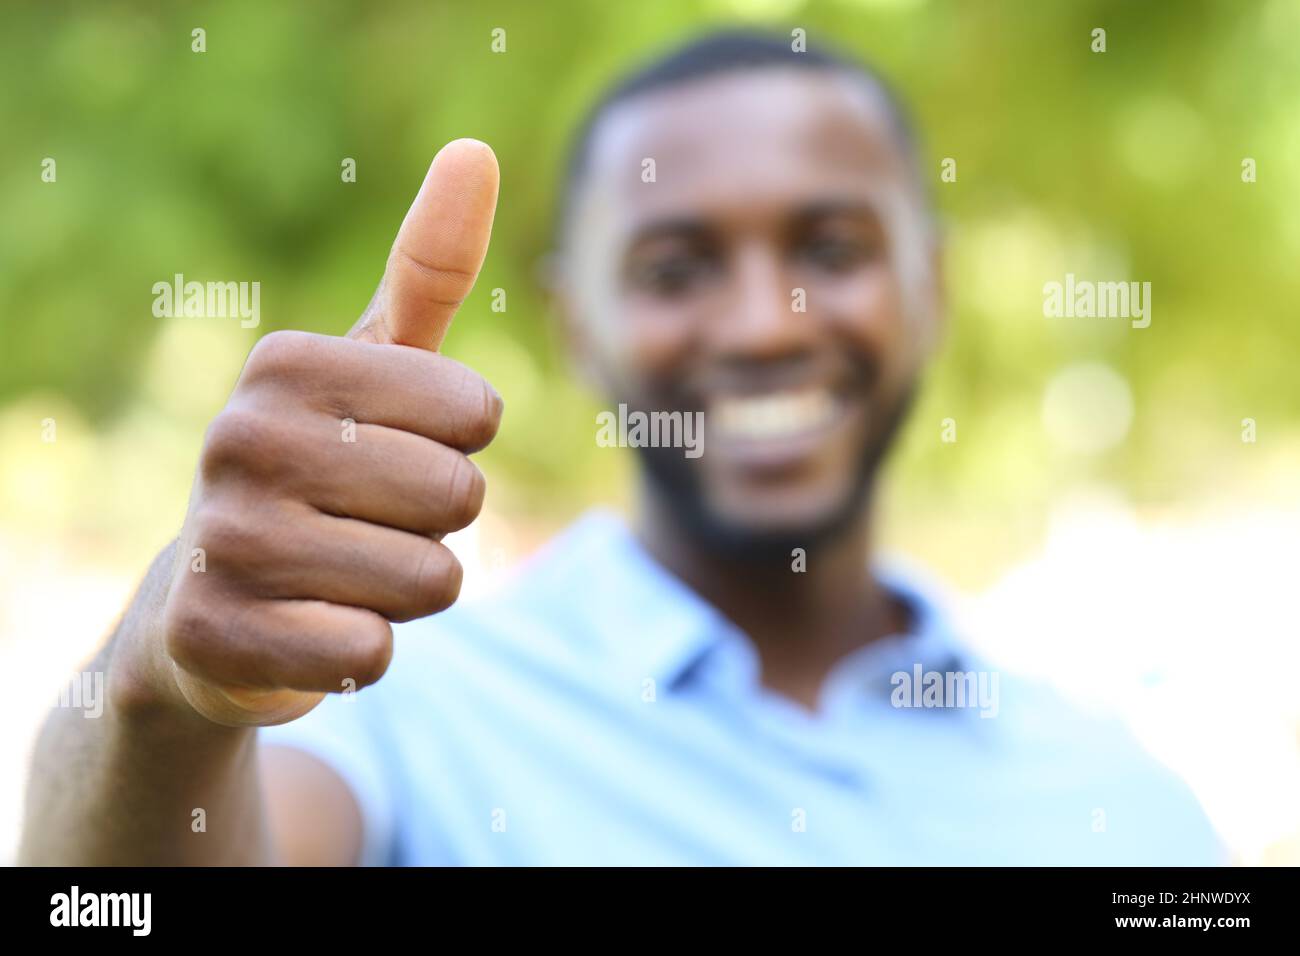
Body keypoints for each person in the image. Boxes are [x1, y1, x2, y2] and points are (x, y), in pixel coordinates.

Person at [19, 31, 1222, 865]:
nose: (762, 322)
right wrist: (161, 700)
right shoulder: (394, 706)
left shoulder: (1126, 801)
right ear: (574, 321)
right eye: (673, 267)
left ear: (931, 287)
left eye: (831, 248)